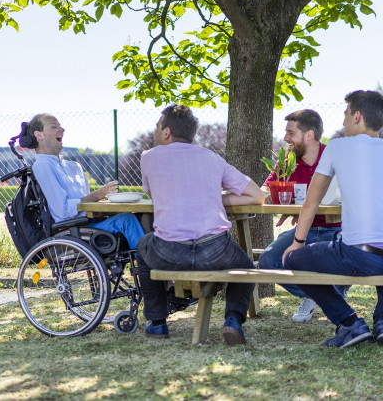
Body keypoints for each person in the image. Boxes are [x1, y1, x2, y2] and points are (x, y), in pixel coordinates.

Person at [283, 90, 383, 348]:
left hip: (360, 257)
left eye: (345, 115)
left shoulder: (337, 147)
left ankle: (349, 323)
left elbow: (311, 201)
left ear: (357, 116)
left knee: (292, 260)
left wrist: (297, 242)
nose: (342, 122)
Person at [137, 104, 264, 345]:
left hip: (169, 252)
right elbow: (256, 196)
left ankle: (157, 322)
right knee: (247, 267)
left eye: (157, 126)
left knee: (143, 245)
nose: (155, 131)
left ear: (166, 132)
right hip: (214, 251)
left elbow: (157, 195)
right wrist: (218, 197)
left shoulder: (148, 157)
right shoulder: (212, 158)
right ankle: (233, 321)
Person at [259, 109, 348, 322]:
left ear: (309, 135)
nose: (285, 138)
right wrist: (273, 198)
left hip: (336, 230)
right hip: (303, 231)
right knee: (268, 261)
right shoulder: (288, 160)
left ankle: (327, 295)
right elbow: (265, 189)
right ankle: (321, 295)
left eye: (291, 133)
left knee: (351, 258)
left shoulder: (336, 158)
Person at [28, 113, 145, 249]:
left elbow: (88, 201)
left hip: (90, 221)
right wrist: (99, 194)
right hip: (74, 230)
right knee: (127, 220)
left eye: (60, 126)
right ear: (39, 135)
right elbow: (63, 210)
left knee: (142, 217)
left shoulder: (73, 166)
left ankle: (155, 261)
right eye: (54, 127)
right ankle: (147, 267)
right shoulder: (43, 166)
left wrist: (104, 199)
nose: (62, 130)